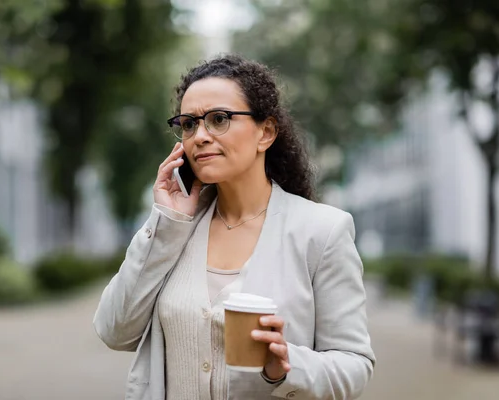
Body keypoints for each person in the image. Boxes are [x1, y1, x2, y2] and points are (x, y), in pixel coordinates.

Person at [93, 54, 376, 400]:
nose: (199, 136)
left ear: (266, 132)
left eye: (218, 119)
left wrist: (288, 365)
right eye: (189, 124)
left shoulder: (322, 231)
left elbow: (354, 364)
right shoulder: (175, 227)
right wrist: (168, 223)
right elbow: (114, 330)